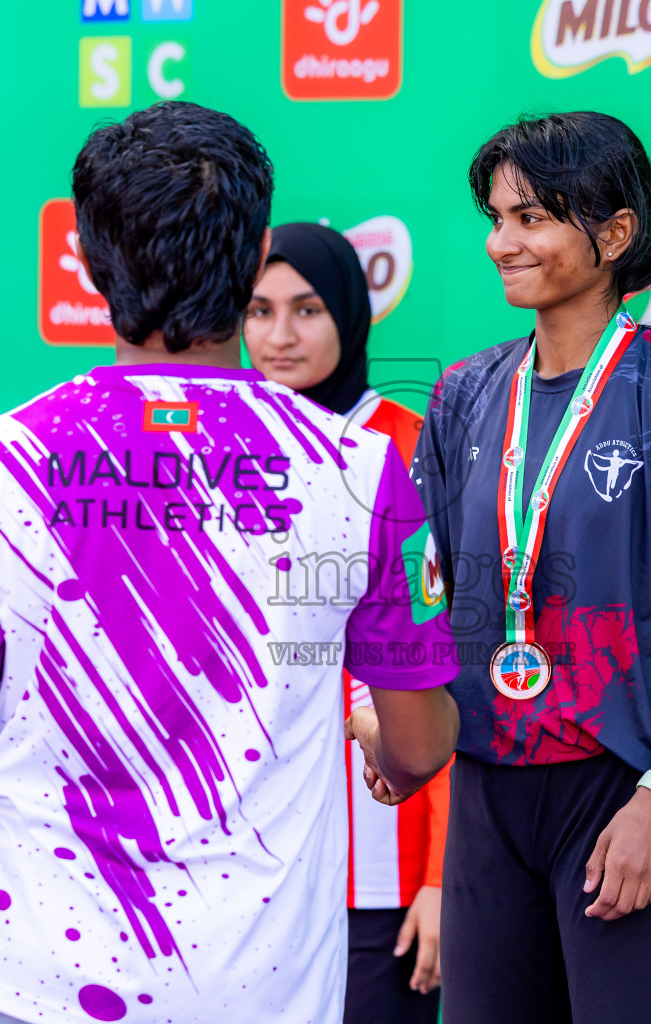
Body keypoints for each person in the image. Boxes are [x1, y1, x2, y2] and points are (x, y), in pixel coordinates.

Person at [0, 101, 460, 1024]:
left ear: (89, 262)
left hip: (22, 982)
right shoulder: (368, 471)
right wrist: (377, 735)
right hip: (259, 994)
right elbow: (420, 745)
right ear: (256, 255)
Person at [412, 111, 651, 1024]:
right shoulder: (460, 395)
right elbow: (446, 599)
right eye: (497, 218)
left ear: (614, 235)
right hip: (489, 795)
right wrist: (395, 721)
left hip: (626, 794)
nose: (502, 243)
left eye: (532, 218)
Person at [245, 221, 450, 1024]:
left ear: (351, 318)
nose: (279, 336)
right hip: (242, 863)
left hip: (378, 868)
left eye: (307, 310)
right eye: (259, 311)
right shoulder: (218, 444)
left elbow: (445, 665)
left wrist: (439, 876)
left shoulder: (402, 450)